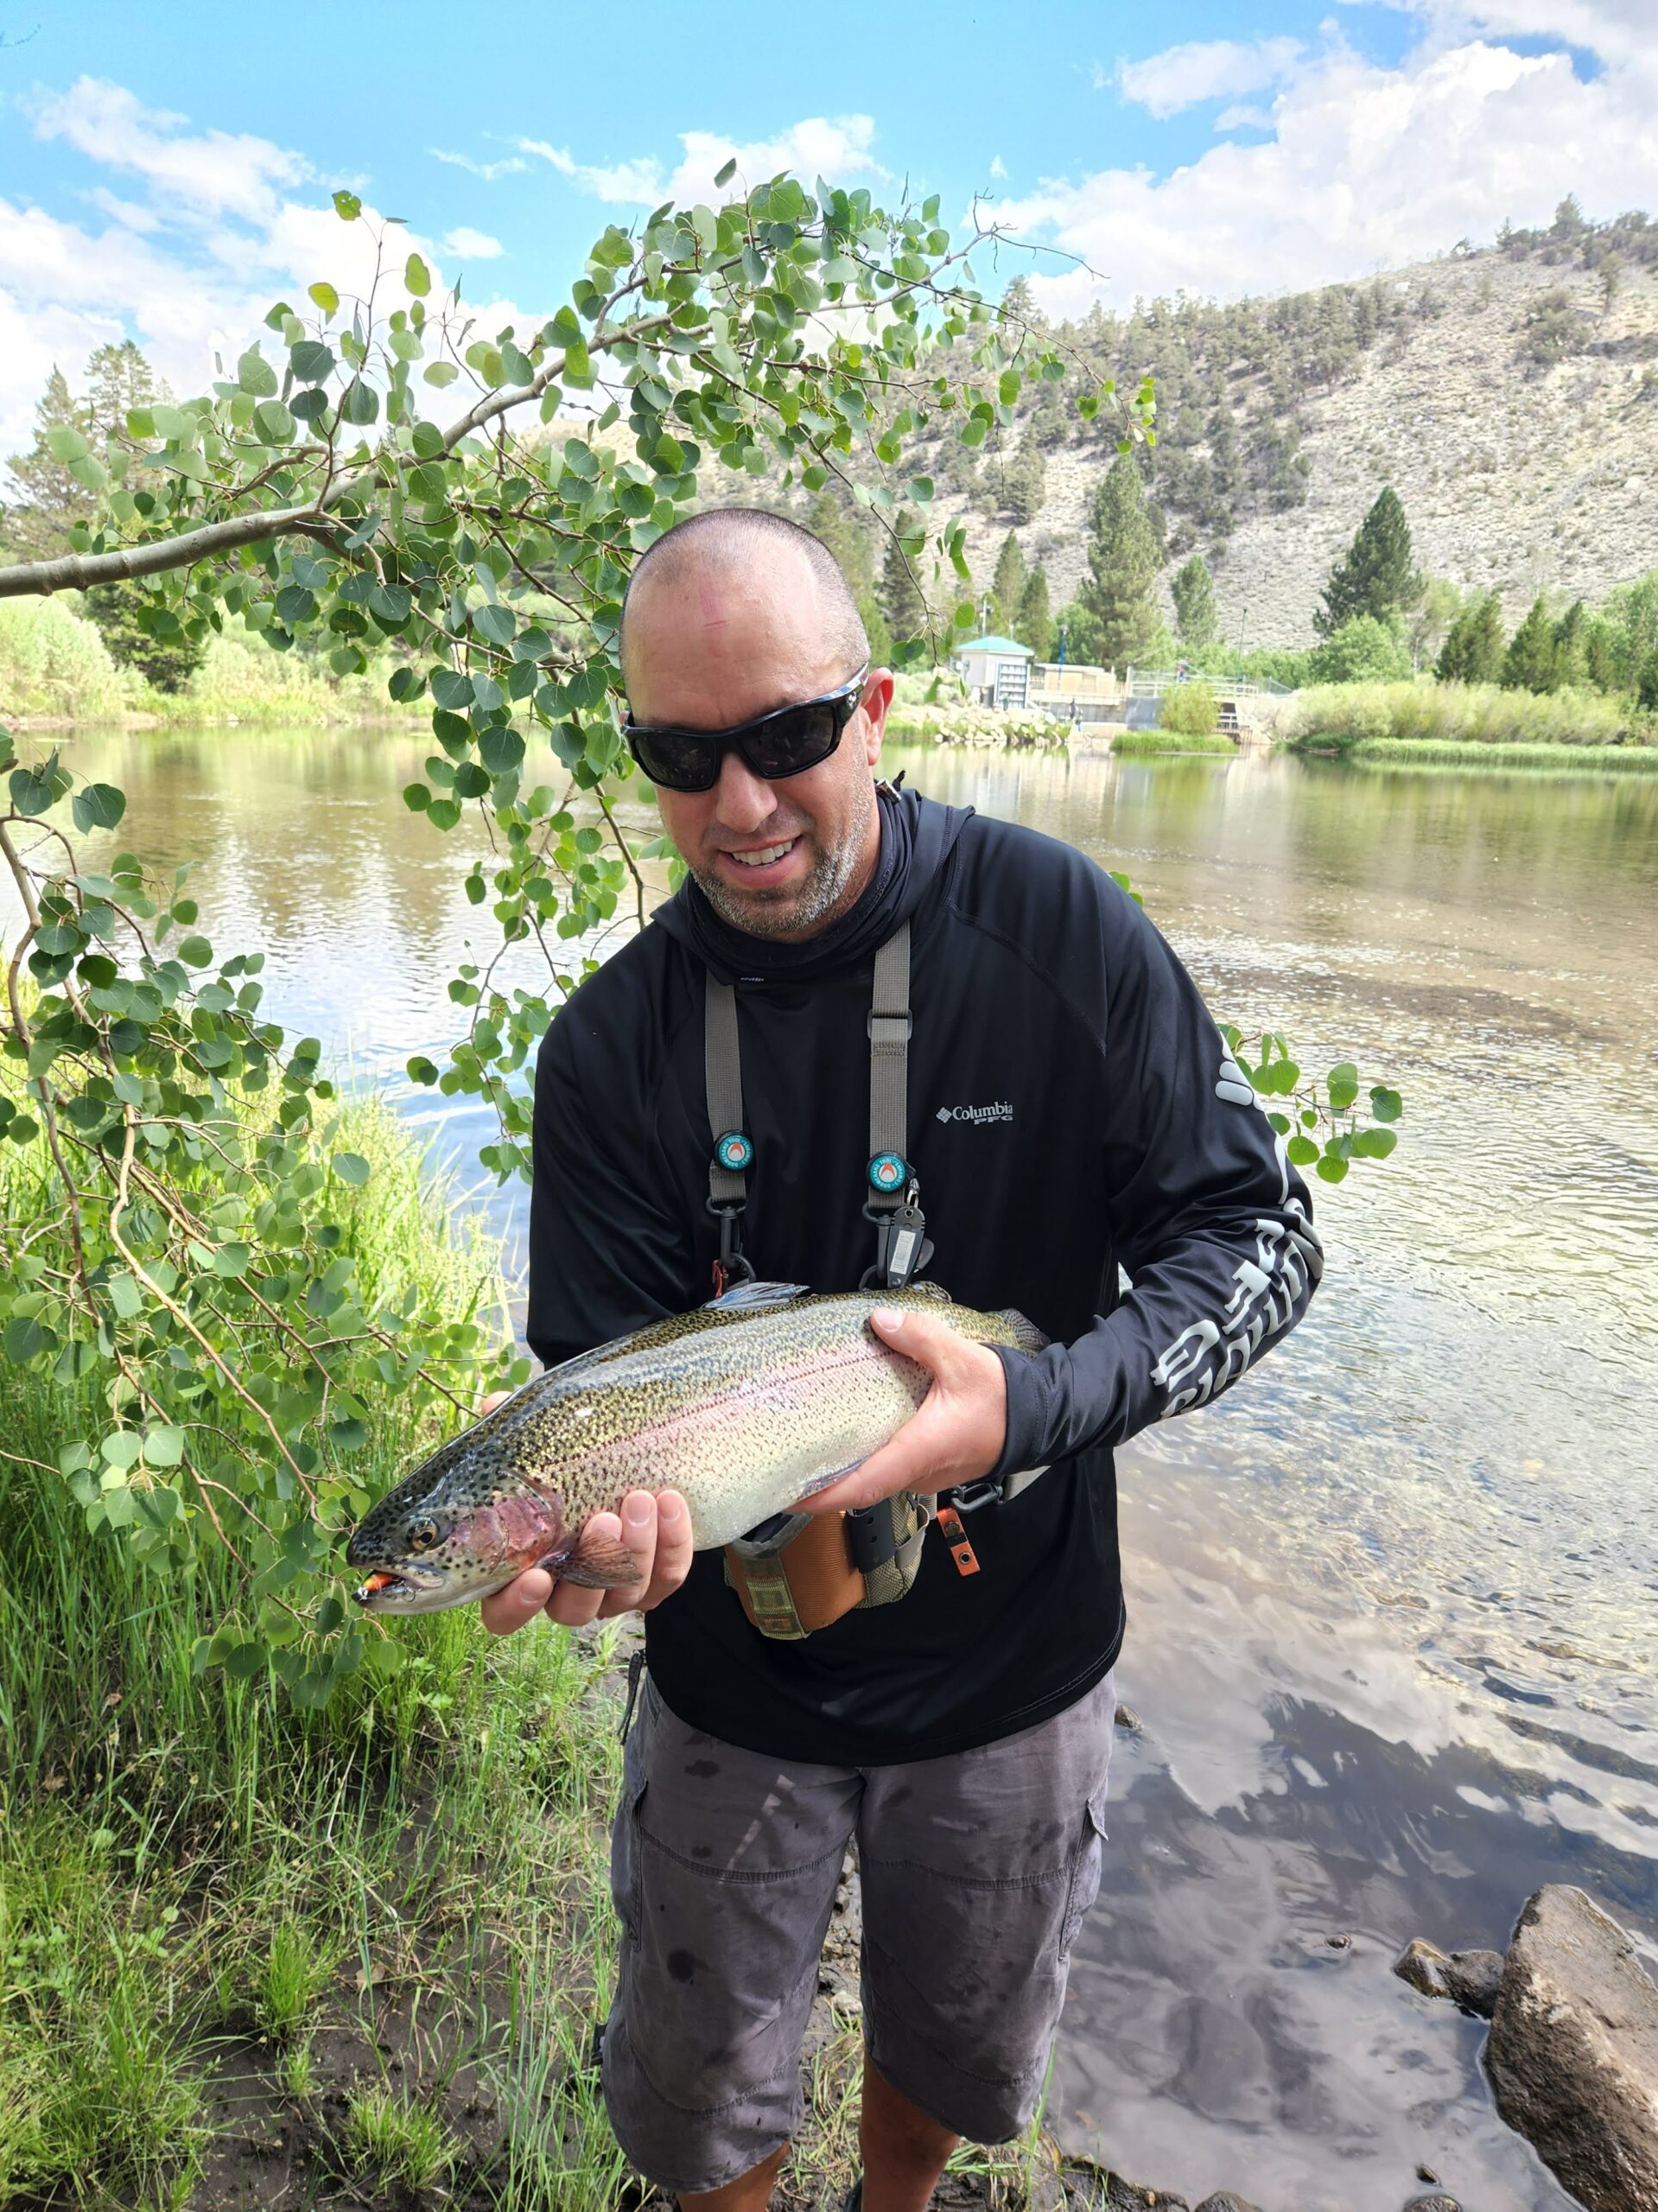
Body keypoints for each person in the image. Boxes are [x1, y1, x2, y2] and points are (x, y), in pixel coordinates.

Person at [480, 509, 1322, 2212]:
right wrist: (614, 1558)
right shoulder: (607, 1055)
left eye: (787, 736)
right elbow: (601, 1412)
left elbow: (1259, 1240)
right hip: (735, 1693)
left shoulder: (1061, 934)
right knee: (706, 2104)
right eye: (679, 752)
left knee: (948, 2065)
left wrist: (1037, 1404)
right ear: (637, 750)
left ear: (873, 706)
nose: (738, 802)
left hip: (1016, 1671)